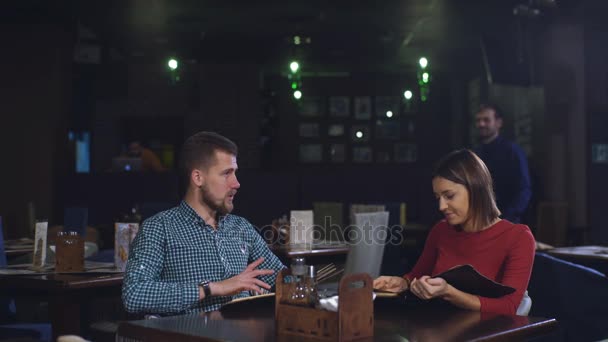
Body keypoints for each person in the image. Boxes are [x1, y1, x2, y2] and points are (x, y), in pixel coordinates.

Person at [122, 131, 285, 315]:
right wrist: (212, 288)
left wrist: (309, 279)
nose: (236, 183)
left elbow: (281, 279)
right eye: (226, 174)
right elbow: (134, 294)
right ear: (198, 178)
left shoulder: (240, 227)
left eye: (235, 173)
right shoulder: (160, 228)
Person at [373, 149, 535, 315]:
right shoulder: (441, 230)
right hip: (436, 327)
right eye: (438, 198)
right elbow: (416, 276)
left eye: (449, 196)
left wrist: (449, 293)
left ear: (476, 189)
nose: (441, 206)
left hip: (487, 334)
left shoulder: (518, 237)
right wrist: (402, 282)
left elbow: (508, 307)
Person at [473, 103, 531, 223]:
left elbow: (523, 189)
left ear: (498, 123)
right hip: (481, 221)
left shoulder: (513, 151)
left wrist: (508, 217)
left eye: (486, 120)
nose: (481, 124)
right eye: (478, 120)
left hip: (508, 220)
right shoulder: (475, 154)